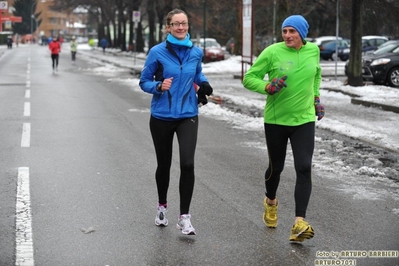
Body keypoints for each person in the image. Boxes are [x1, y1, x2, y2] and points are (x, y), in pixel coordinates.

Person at [243, 15, 325, 242]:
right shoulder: (272, 52)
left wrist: (316, 97)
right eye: (285, 31)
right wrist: (268, 86)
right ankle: (271, 201)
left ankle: (299, 222)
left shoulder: (313, 51)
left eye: (292, 31)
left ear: (302, 33)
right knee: (275, 168)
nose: (288, 35)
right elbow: (249, 78)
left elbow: (316, 74)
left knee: (303, 167)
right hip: (277, 121)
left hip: (305, 119)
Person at [139, 8, 213, 235]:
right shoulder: (157, 52)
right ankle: (162, 207)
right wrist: (159, 86)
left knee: (188, 164)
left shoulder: (196, 52)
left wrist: (205, 84)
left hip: (188, 115)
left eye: (184, 23)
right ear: (168, 27)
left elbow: (197, 75)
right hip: (161, 116)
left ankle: (185, 217)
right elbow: (144, 81)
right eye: (176, 24)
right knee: (164, 164)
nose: (181, 27)